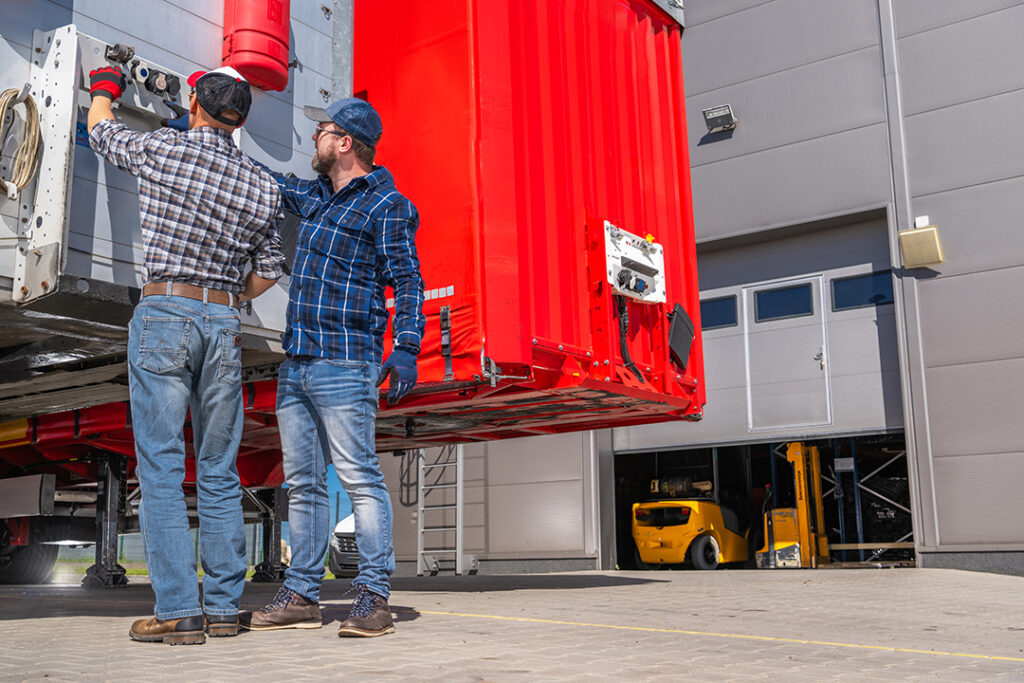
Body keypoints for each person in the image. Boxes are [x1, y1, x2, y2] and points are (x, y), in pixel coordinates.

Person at [87, 64, 285, 645]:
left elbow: (101, 130)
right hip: (223, 322)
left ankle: (177, 609)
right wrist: (225, 299)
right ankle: (222, 609)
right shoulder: (262, 185)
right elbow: (270, 270)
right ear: (239, 120)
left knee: (163, 468)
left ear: (195, 103)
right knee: (219, 470)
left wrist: (105, 85)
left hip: (164, 314)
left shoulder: (163, 151)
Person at [243, 97, 424, 638]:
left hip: (346, 361)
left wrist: (407, 345)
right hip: (297, 362)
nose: (314, 137)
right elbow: (270, 181)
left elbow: (407, 280)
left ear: (345, 143)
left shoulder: (388, 205)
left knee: (360, 478)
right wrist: (210, 138)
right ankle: (302, 593)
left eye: (322, 130)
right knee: (302, 485)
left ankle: (373, 597)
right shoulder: (317, 196)